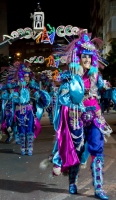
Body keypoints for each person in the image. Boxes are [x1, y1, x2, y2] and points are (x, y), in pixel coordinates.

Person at [47, 33, 112, 200]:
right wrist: (62, 85)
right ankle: (72, 182)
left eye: (90, 58)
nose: (88, 61)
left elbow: (103, 87)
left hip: (95, 116)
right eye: (84, 57)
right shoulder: (70, 75)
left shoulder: (96, 76)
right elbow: (60, 92)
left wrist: (105, 86)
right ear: (78, 57)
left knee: (97, 149)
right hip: (77, 117)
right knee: (77, 149)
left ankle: (98, 188)